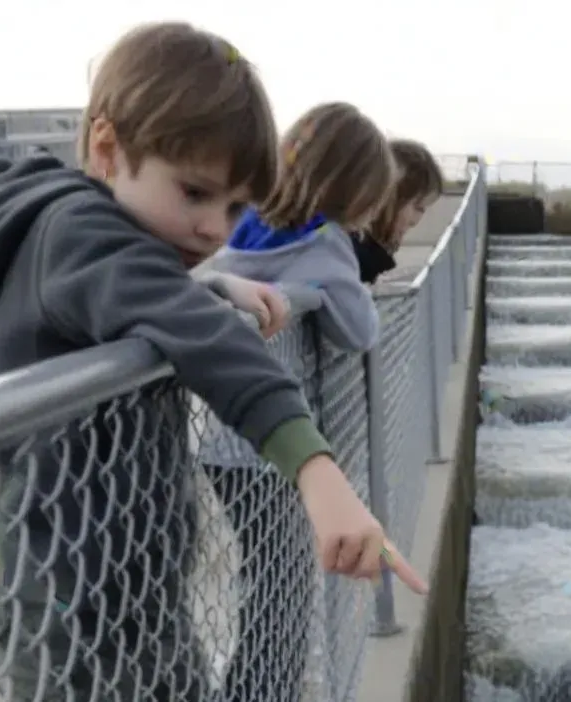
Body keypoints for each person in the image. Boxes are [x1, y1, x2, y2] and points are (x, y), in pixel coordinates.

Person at [0, 22, 426, 702]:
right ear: (109, 150)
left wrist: (203, 285)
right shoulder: (76, 231)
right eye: (195, 193)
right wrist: (318, 470)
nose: (213, 228)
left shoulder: (98, 245)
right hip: (67, 607)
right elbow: (203, 335)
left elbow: (136, 294)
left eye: (236, 207)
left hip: (129, 585)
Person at [195, 101, 398, 702]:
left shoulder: (244, 224)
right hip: (278, 443)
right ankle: (259, 691)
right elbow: (358, 331)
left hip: (221, 439)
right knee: (282, 588)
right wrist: (338, 286)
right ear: (354, 191)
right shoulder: (326, 243)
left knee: (261, 578)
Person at [352, 138, 444, 284]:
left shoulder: (345, 249)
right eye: (418, 207)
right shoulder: (347, 259)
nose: (415, 221)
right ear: (389, 196)